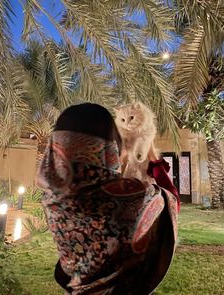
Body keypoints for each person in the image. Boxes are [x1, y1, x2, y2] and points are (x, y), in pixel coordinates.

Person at [36, 103, 179, 295]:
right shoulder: (134, 197)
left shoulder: (52, 199)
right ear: (109, 146)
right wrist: (152, 153)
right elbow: (172, 200)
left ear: (56, 145)